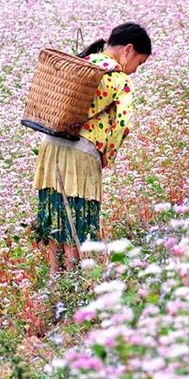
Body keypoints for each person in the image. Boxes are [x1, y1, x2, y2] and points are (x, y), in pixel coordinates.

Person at [33, 22, 152, 273]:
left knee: (55, 210)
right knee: (79, 214)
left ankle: (56, 278)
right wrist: (108, 154)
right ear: (128, 50)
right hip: (82, 151)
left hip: (50, 145)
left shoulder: (79, 63)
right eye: (138, 63)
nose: (135, 71)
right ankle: (79, 281)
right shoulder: (119, 79)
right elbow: (123, 123)